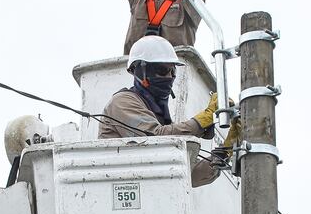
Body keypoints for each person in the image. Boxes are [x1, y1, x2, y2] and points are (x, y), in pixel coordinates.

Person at [97, 36, 239, 188]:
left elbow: (190, 174)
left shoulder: (156, 115)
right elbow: (156, 139)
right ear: (139, 71)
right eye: (163, 70)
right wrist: (206, 118)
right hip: (118, 196)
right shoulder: (122, 102)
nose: (169, 77)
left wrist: (228, 147)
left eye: (172, 71)